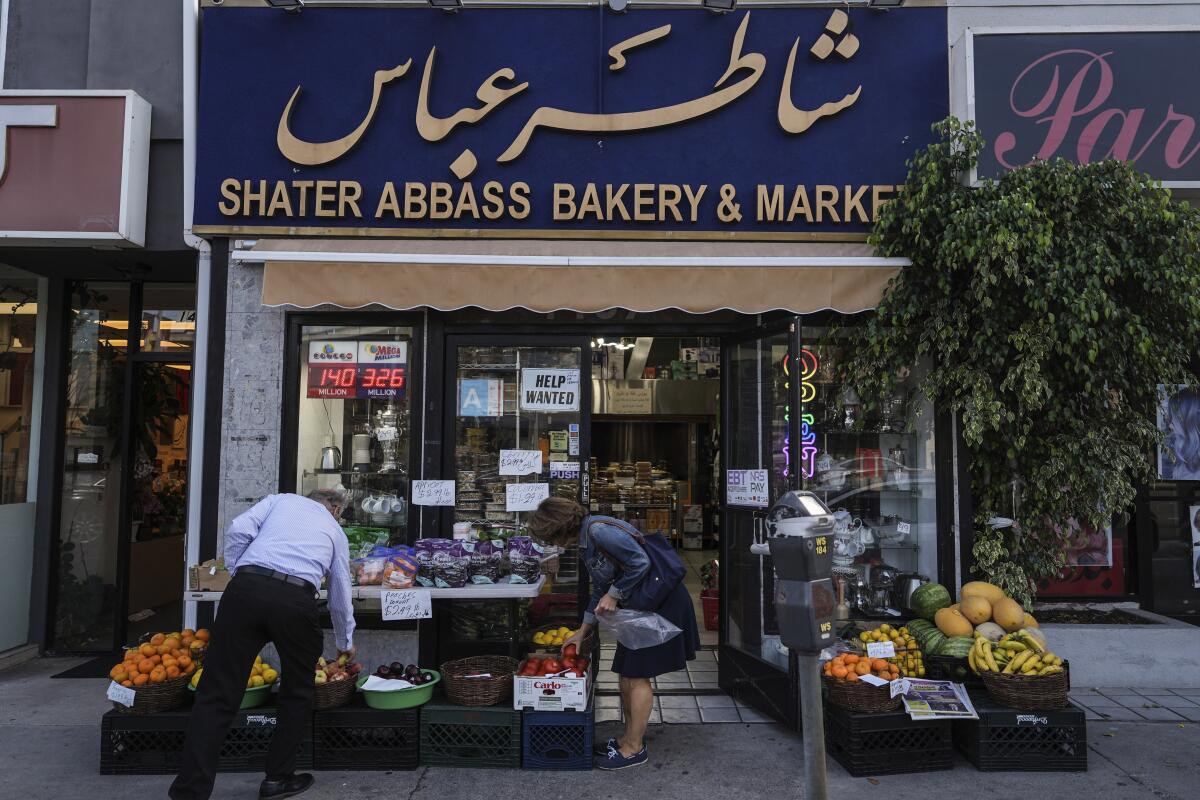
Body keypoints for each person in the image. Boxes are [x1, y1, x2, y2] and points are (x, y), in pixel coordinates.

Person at [169, 488, 356, 800]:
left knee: (216, 694)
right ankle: (277, 780)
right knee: (296, 693)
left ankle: (190, 791)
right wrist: (344, 641)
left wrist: (241, 570)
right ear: (335, 509)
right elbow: (340, 591)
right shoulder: (336, 531)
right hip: (296, 600)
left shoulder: (280, 499)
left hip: (245, 591)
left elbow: (238, 529)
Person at [527, 497, 699, 771]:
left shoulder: (598, 531)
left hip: (663, 604)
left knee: (637, 674)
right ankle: (627, 739)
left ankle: (634, 748)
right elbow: (601, 587)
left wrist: (614, 595)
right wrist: (581, 632)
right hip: (644, 606)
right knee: (626, 673)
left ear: (558, 528)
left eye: (549, 537)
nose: (553, 544)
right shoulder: (589, 538)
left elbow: (640, 563)